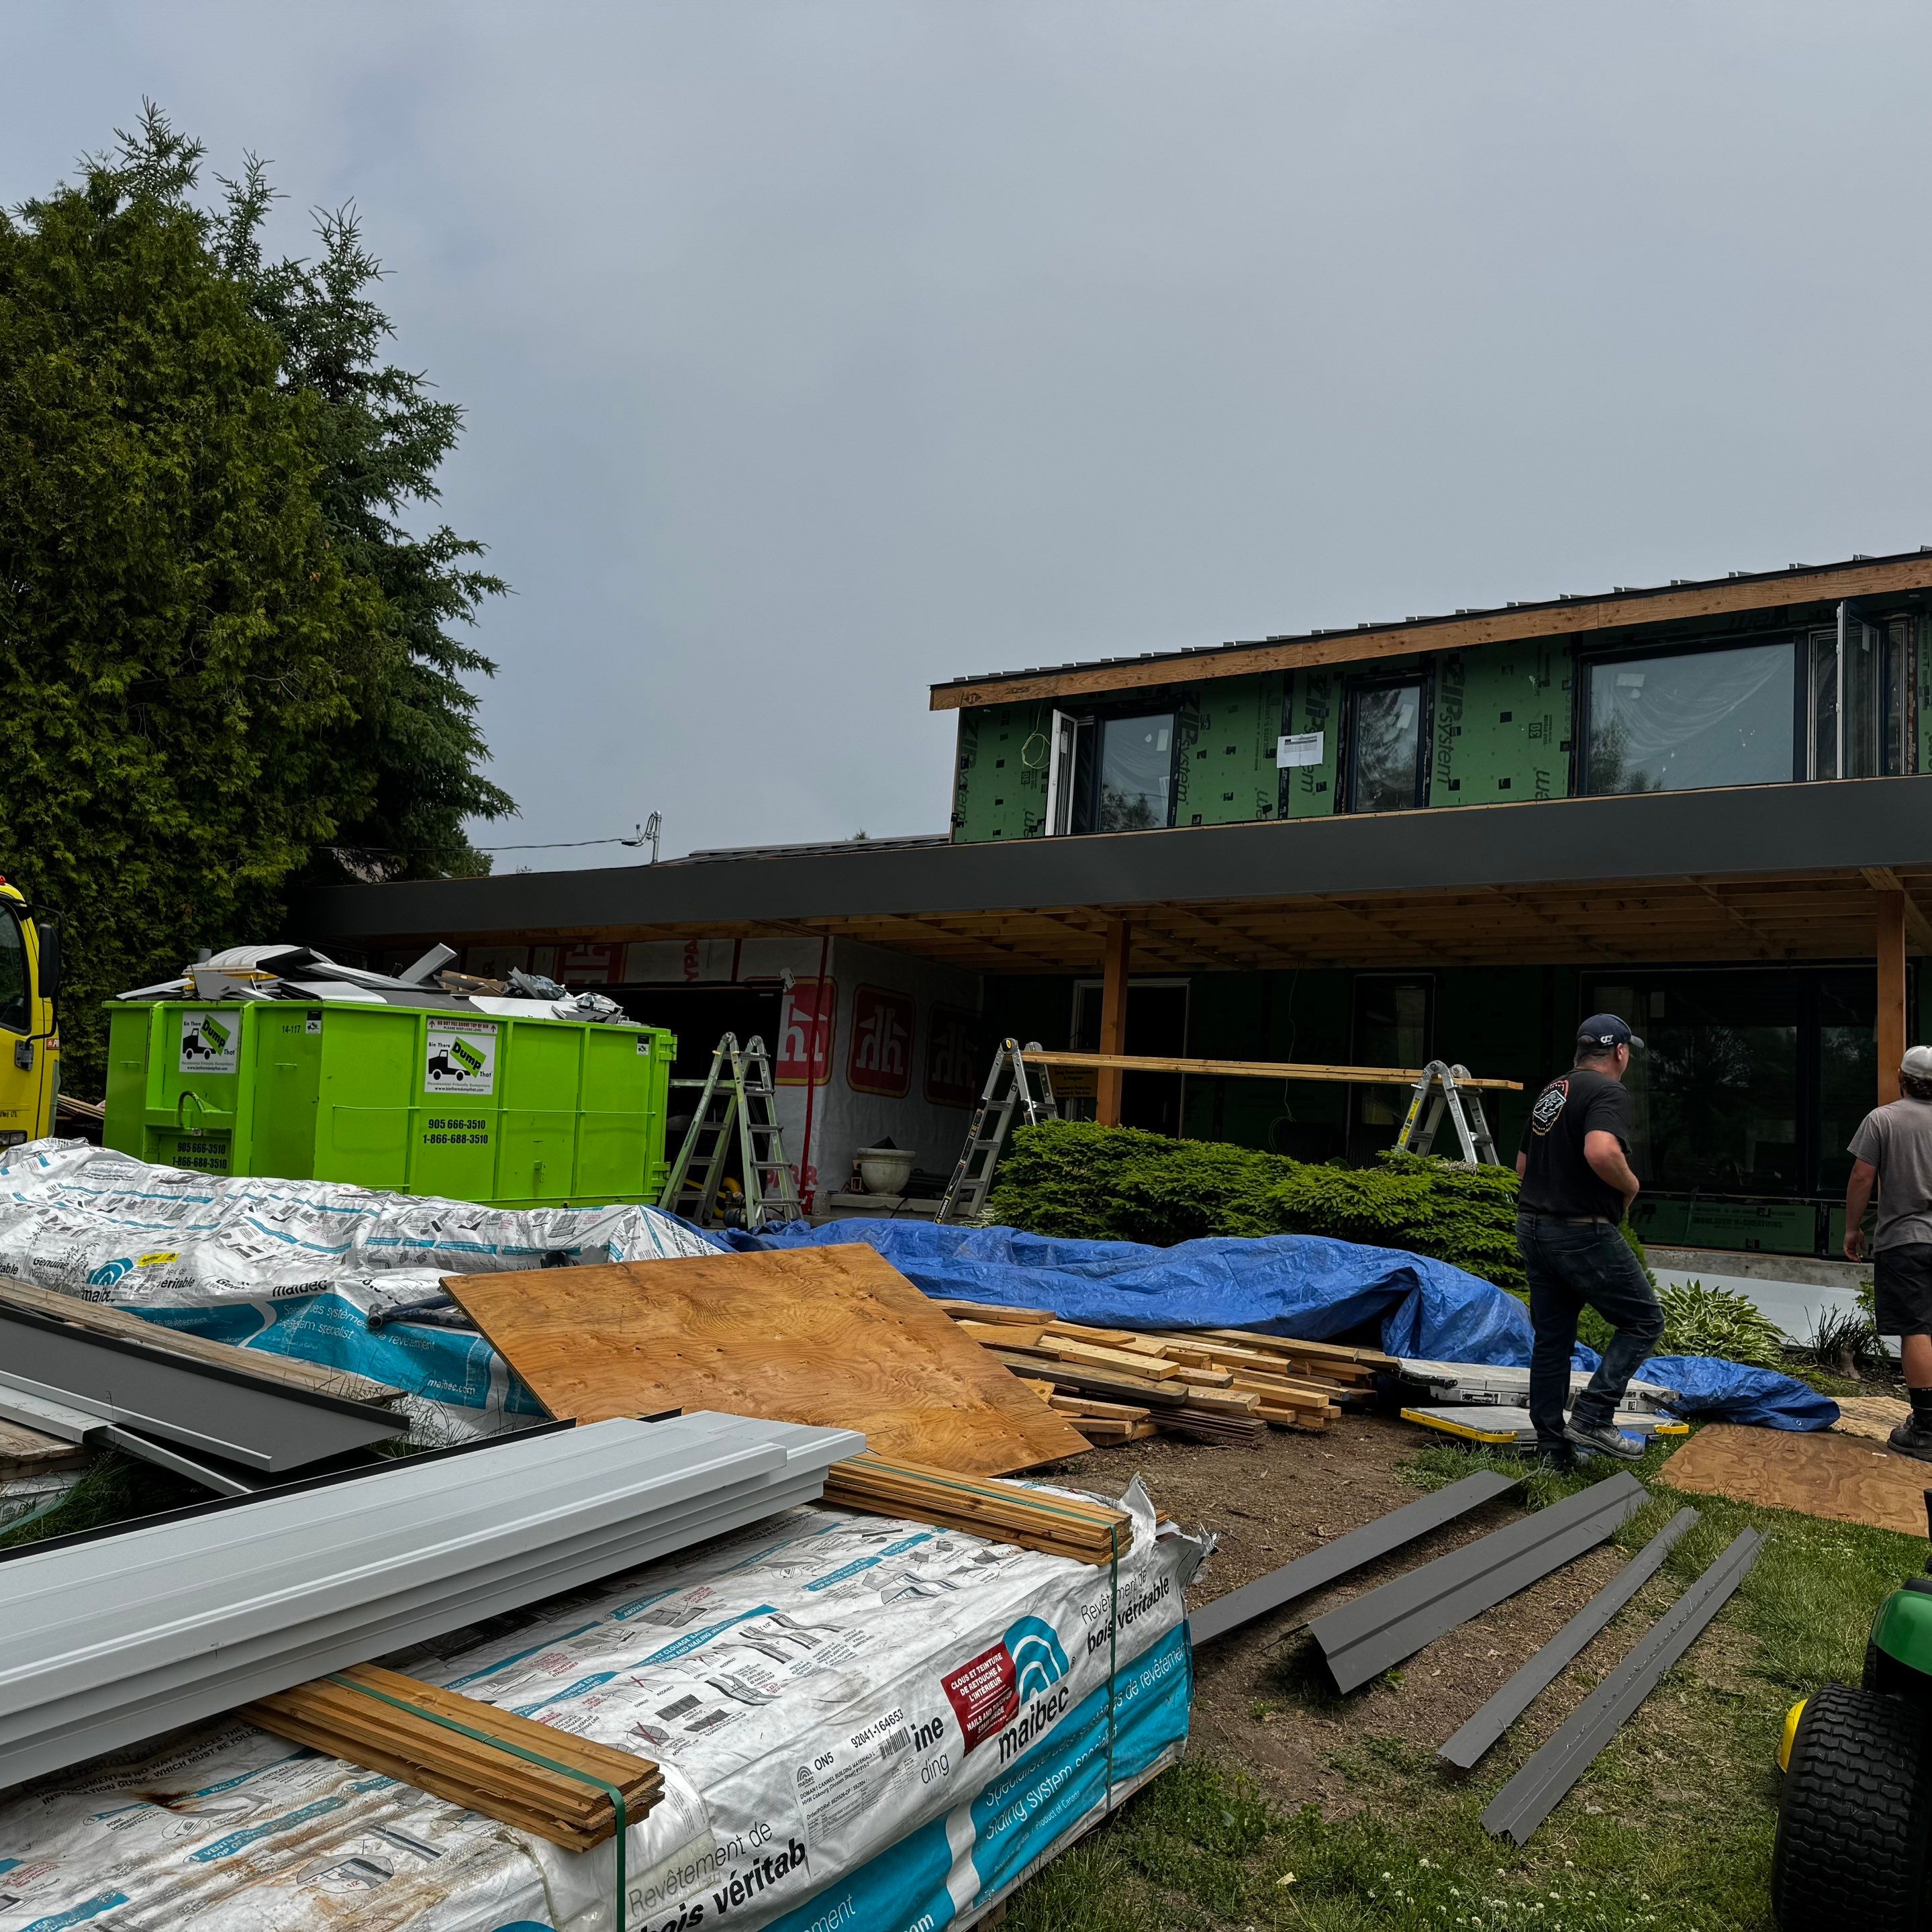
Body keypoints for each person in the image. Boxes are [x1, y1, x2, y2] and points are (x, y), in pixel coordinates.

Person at [1515, 1014, 1664, 1465]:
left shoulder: (1554, 1090)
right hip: (1579, 1229)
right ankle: (1594, 1416)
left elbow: (1523, 1167)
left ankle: (1552, 1451)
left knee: (1553, 1338)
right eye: (1629, 1053)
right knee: (1644, 1321)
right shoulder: (1607, 1091)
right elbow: (1600, 1151)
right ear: (1620, 1052)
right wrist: (1630, 1186)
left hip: (1533, 1226)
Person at [1845, 1045, 1932, 1462]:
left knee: (1917, 1327)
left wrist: (1852, 1229)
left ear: (1902, 1078)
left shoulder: (1883, 1119)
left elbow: (1863, 1176)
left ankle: (1927, 1427)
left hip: (1906, 1239)